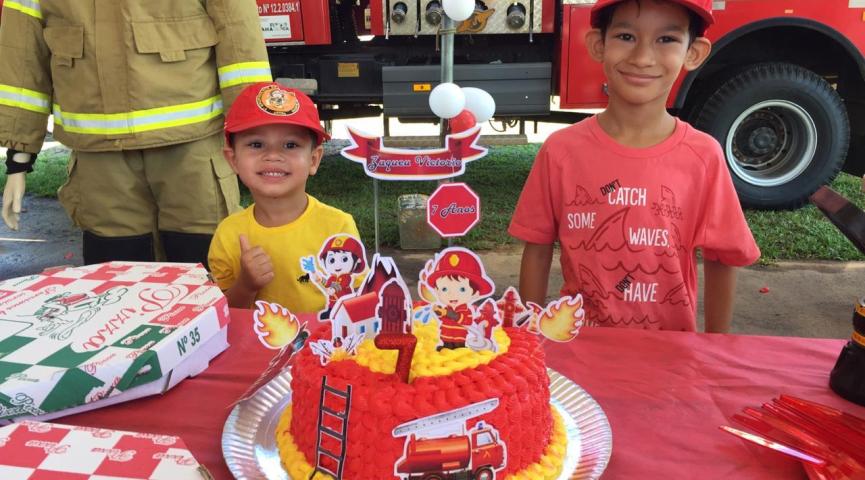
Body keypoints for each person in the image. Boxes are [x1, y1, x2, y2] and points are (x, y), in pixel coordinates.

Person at [508, 0, 760, 333]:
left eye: (666, 39)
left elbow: (722, 257)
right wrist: (530, 339)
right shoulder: (561, 151)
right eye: (626, 36)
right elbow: (537, 249)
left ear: (694, 52)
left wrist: (715, 348)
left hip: (671, 356)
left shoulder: (703, 156)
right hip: (580, 348)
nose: (642, 58)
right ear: (598, 45)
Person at [0, 0, 271, 266]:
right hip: (102, 159)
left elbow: (238, 37)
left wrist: (256, 136)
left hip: (190, 149)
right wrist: (19, 154)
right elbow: (23, 56)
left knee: (206, 266)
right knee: (119, 279)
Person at [208, 82, 361, 311]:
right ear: (233, 160)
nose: (272, 155)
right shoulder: (228, 235)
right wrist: (246, 285)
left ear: (313, 160)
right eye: (256, 144)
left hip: (321, 344)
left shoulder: (337, 226)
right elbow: (223, 316)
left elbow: (356, 301)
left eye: (290, 145)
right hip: (256, 345)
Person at [425, 248, 495, 349]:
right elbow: (442, 318)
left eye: (462, 289)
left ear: (476, 294)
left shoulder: (466, 311)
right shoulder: (447, 308)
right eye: (444, 289)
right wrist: (439, 311)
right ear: (436, 290)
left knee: (458, 349)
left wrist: (448, 313)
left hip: (459, 339)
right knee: (445, 348)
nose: (452, 294)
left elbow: (465, 320)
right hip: (445, 337)